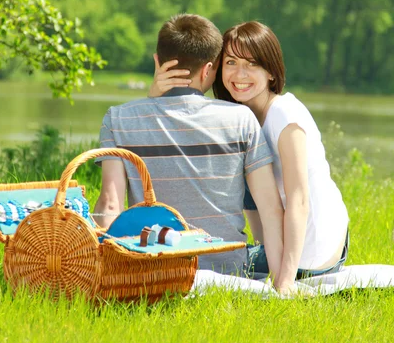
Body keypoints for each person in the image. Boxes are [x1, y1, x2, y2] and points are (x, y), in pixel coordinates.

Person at [152, 21, 349, 292]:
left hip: (314, 247)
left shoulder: (285, 114)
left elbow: (299, 200)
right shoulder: (239, 118)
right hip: (287, 245)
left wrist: (284, 281)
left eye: (252, 63)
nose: (239, 74)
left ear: (271, 71)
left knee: (208, 264)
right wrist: (157, 95)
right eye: (231, 62)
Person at [93, 14, 284, 280]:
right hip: (228, 271)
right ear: (208, 70)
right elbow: (271, 209)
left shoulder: (118, 118)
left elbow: (109, 204)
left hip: (154, 270)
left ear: (158, 62)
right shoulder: (241, 119)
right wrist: (279, 282)